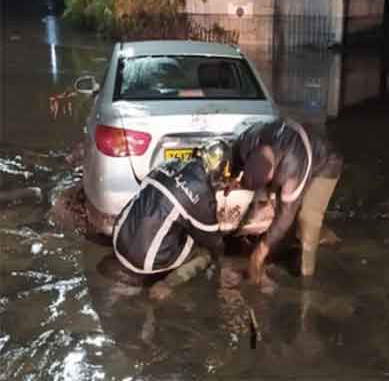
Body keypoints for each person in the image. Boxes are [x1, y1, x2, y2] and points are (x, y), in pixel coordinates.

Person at [231, 118, 343, 285]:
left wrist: (259, 253)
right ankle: (284, 248)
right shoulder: (249, 142)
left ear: (272, 174)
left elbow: (286, 214)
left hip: (326, 163)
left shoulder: (291, 169)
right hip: (296, 150)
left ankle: (306, 280)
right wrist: (232, 177)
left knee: (307, 218)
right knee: (275, 209)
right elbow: (235, 161)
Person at [111, 139, 233, 281]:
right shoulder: (202, 192)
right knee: (205, 253)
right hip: (145, 262)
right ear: (219, 169)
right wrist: (221, 261)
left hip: (119, 239)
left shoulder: (169, 163)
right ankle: (167, 285)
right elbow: (213, 241)